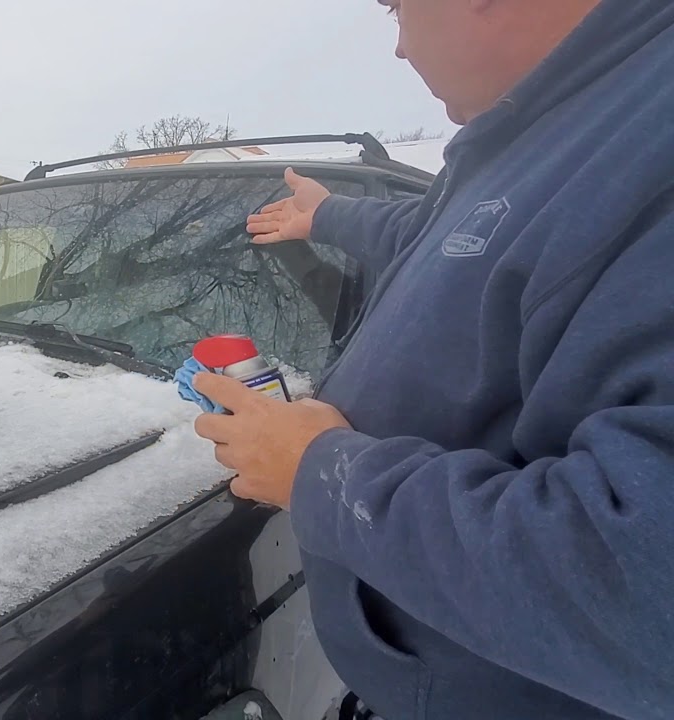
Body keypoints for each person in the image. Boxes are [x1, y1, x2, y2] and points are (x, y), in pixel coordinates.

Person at [191, 0, 674, 717]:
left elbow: (646, 588)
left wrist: (321, 471)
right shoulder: (553, 122)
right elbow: (446, 239)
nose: (397, 49)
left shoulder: (648, 139)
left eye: (394, 7)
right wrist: (325, 217)